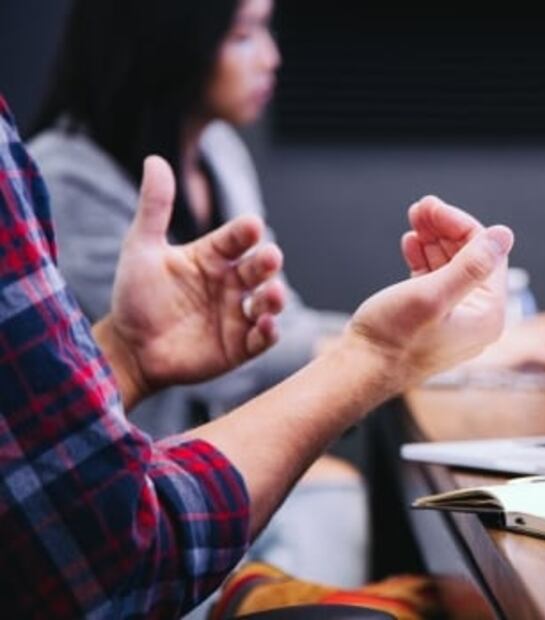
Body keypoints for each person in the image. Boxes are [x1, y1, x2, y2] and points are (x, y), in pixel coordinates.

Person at [0, 93, 514, 617]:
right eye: (245, 33)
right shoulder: (65, 172)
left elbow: (26, 448)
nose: (270, 56)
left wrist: (126, 357)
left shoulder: (220, 151)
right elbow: (116, 556)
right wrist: (381, 355)